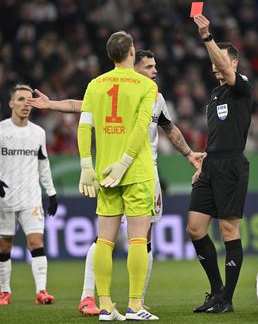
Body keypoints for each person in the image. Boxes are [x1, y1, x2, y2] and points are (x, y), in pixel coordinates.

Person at [28, 49, 204, 316]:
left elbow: (168, 127)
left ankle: (136, 301)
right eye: (148, 66)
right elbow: (81, 105)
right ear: (133, 66)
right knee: (108, 237)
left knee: (142, 239)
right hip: (125, 169)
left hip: (146, 172)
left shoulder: (156, 97)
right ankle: (93, 297)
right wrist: (52, 104)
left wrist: (189, 153)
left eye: (155, 65)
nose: (154, 70)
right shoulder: (121, 90)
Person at [77, 31, 159, 321]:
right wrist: (125, 162)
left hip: (104, 173)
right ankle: (135, 306)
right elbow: (140, 128)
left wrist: (87, 166)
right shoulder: (146, 86)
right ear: (132, 53)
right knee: (138, 240)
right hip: (135, 172)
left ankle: (105, 306)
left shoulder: (95, 85)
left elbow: (84, 127)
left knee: (104, 241)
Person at [187, 14, 252, 314]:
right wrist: (203, 159)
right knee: (195, 229)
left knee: (228, 230)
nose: (214, 65)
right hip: (211, 165)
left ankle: (227, 300)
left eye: (221, 61)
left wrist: (206, 37)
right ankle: (216, 291)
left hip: (232, 167)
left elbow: (224, 68)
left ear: (233, 63)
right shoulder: (214, 94)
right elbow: (218, 133)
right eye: (213, 59)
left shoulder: (242, 87)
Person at [0, 84, 58, 306]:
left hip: (31, 198)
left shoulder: (38, 133)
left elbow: (43, 164)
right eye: (21, 99)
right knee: (4, 246)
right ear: (11, 103)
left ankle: (41, 291)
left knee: (36, 242)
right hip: (5, 198)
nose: (26, 104)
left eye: (29, 100)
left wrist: (51, 192)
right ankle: (4, 291)